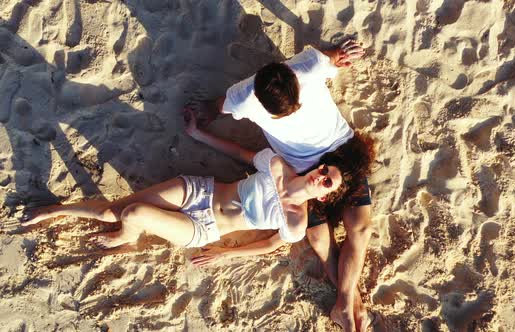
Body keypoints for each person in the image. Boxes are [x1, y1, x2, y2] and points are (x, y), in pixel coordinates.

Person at [187, 40, 374, 332]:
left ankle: (346, 300)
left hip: (342, 151)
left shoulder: (307, 67)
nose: (292, 115)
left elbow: (332, 56)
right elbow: (216, 107)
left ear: (295, 81)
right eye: (282, 116)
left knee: (360, 229)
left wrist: (341, 53)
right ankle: (351, 308)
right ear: (260, 103)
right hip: (300, 169)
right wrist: (206, 113)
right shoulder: (242, 97)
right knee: (321, 241)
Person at [19, 110, 350, 265]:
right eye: (324, 169)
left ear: (323, 194)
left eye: (327, 181)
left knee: (133, 213)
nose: (320, 175)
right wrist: (199, 135)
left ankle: (127, 236)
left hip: (201, 228)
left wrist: (225, 252)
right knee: (111, 211)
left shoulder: (296, 222)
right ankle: (55, 210)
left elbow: (268, 246)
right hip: (199, 191)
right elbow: (240, 153)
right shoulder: (278, 165)